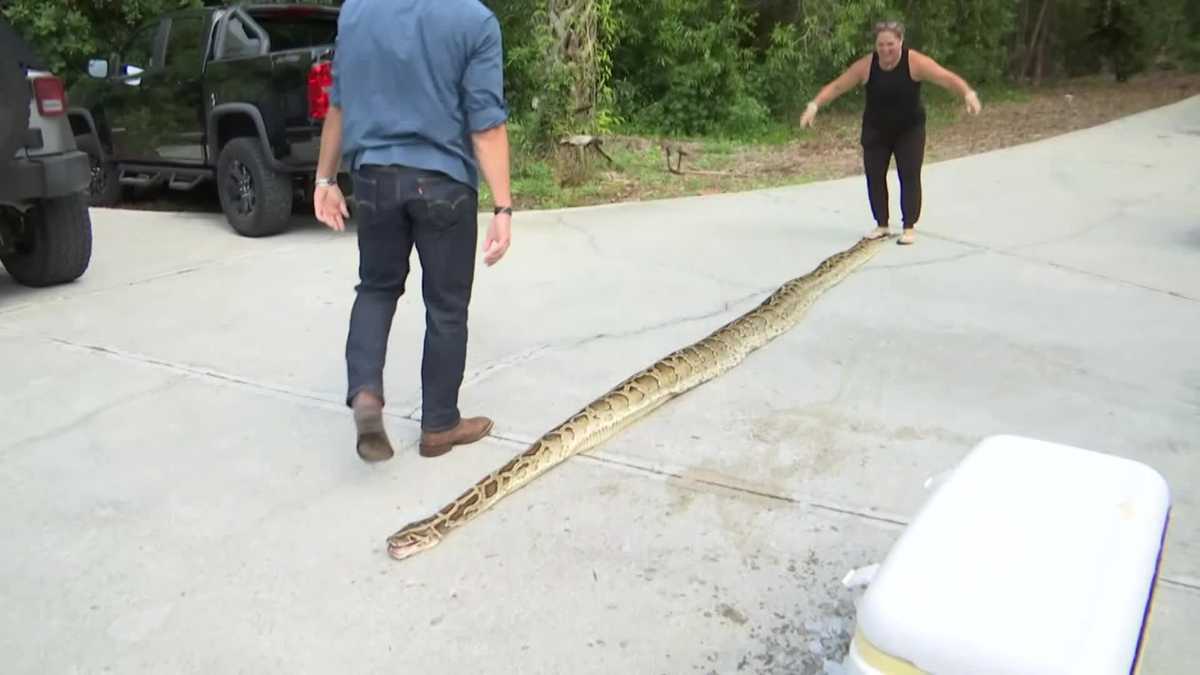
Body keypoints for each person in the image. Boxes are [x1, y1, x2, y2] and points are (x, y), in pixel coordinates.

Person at [313, 0, 513, 462]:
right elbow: (486, 123)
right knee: (446, 306)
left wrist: (325, 179)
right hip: (444, 181)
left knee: (377, 288)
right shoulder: (473, 20)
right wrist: (503, 205)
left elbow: (340, 104)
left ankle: (365, 392)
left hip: (375, 178)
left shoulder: (357, 12)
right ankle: (440, 424)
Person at [800, 20, 982, 245]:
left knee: (909, 173)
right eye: (881, 45)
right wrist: (814, 105)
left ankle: (908, 227)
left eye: (891, 44)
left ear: (901, 42)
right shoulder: (867, 65)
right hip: (877, 128)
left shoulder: (915, 62)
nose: (885, 50)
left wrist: (968, 94)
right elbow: (838, 86)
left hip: (909, 129)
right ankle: (882, 224)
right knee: (874, 175)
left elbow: (945, 78)